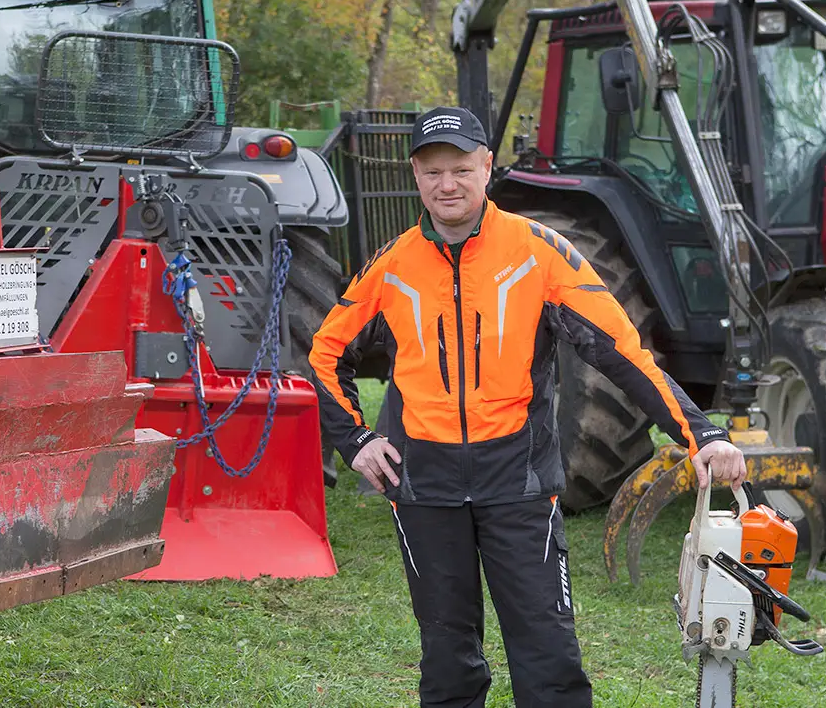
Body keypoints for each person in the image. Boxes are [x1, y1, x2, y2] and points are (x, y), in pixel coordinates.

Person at [308, 106, 748, 708]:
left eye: (461, 168)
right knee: (447, 660)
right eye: (433, 171)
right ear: (415, 174)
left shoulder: (539, 254)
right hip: (423, 486)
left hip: (517, 482)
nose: (447, 185)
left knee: (548, 657)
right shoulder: (393, 264)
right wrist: (356, 441)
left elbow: (623, 353)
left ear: (486, 166)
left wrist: (703, 435)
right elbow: (325, 352)